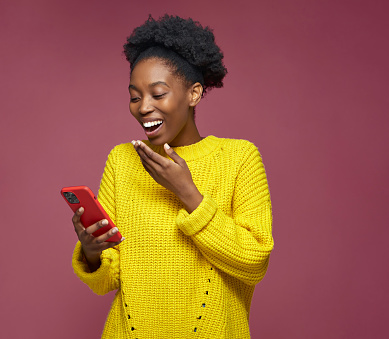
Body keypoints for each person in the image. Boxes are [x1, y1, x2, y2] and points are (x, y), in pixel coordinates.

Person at [71, 14, 273, 338]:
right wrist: (93, 251)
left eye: (158, 93)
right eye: (135, 97)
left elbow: (254, 262)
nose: (143, 107)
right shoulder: (122, 161)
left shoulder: (239, 158)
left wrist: (188, 193)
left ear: (194, 94)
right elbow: (108, 279)